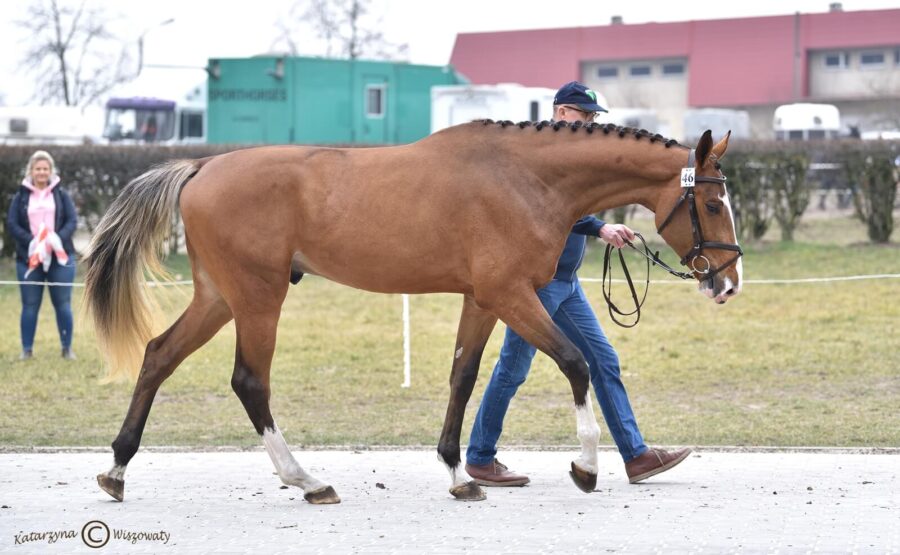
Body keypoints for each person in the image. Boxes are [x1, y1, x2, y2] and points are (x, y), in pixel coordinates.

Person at [465, 81, 691, 487]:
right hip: (537, 283)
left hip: (567, 283)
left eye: (592, 118)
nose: (589, 124)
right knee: (513, 369)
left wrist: (600, 224)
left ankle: (636, 456)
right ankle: (480, 458)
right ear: (562, 113)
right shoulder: (535, 153)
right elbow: (545, 207)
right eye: (584, 116)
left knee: (603, 360)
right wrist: (599, 226)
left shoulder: (567, 153)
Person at [7, 150, 78, 360]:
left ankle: (67, 348)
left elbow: (72, 221)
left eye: (45, 169)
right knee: (29, 305)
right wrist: (33, 242)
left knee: (63, 304)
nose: (41, 172)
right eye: (38, 168)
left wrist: (55, 238)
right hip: (29, 259)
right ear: (31, 170)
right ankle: (26, 349)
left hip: (59, 258)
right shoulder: (21, 196)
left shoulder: (61, 195)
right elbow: (12, 224)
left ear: (50, 171)